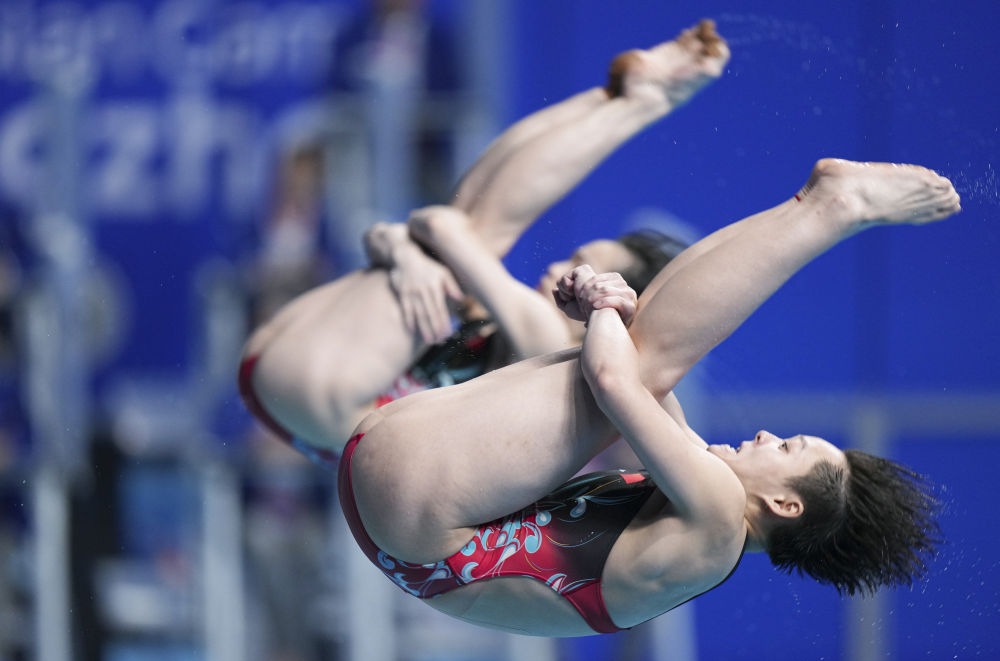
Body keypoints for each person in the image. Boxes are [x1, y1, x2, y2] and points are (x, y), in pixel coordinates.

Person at [338, 157, 958, 636]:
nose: (769, 435)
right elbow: (642, 380)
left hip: (415, 512)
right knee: (648, 348)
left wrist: (604, 304)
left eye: (789, 447)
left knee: (646, 353)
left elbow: (617, 382)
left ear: (784, 504)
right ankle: (817, 202)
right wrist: (607, 311)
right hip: (400, 516)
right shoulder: (709, 528)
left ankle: (831, 206)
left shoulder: (717, 514)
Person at [240, 21, 727, 463]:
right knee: (470, 223)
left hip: (323, 396)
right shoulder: (509, 319)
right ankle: (621, 96)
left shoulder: (551, 344)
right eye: (574, 258)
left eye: (583, 271)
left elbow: (439, 224)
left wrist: (412, 249)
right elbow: (399, 230)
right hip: (297, 379)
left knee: (476, 232)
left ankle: (638, 101)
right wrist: (403, 252)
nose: (562, 269)